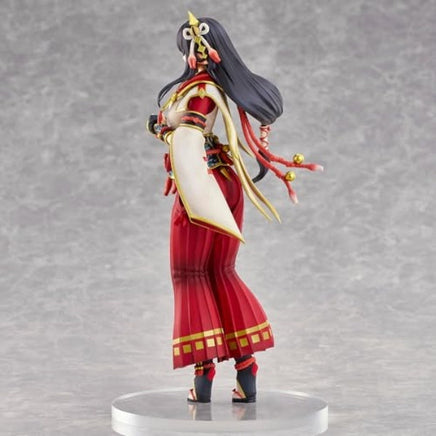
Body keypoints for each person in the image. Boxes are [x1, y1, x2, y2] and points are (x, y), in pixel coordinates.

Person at [146, 12, 322, 403]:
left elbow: (188, 134)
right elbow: (179, 127)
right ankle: (246, 369)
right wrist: (163, 125)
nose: (192, 55)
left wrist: (164, 127)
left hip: (202, 181)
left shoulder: (200, 90)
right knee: (218, 271)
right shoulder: (205, 86)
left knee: (190, 274)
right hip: (220, 178)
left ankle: (204, 372)